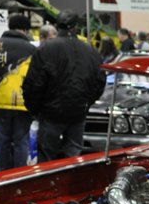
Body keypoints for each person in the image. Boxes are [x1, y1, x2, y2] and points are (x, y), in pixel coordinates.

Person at [22, 10, 105, 162]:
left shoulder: (45, 49)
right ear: (75, 27)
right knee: (74, 156)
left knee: (46, 158)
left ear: (57, 26)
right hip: (78, 113)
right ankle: (72, 178)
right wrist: (86, 103)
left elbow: (33, 84)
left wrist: (35, 109)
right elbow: (99, 82)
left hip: (50, 113)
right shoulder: (90, 51)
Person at [0, 13, 36, 171]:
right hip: (23, 103)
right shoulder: (32, 49)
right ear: (25, 30)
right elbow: (36, 79)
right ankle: (20, 176)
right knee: (21, 141)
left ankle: (3, 175)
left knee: (2, 141)